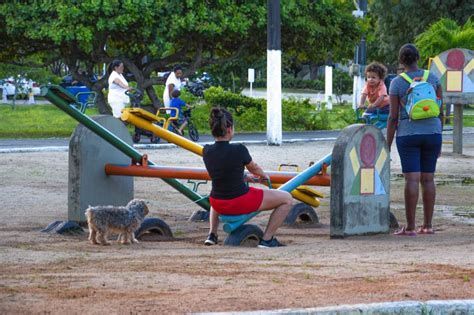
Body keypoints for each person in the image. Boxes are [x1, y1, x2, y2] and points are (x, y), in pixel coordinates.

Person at [202, 107, 293, 248]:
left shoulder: (206, 150)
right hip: (239, 201)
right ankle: (267, 239)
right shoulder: (239, 149)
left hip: (217, 202)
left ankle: (212, 234)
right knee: (286, 198)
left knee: (218, 193)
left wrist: (246, 178)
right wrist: (264, 176)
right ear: (230, 129)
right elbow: (254, 167)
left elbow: (224, 174)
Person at [386, 44, 444, 236]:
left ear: (401, 61)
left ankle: (410, 227)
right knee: (428, 179)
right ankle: (427, 225)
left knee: (412, 179)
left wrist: (387, 143)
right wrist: (439, 137)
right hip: (433, 133)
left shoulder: (397, 83)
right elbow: (440, 110)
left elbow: (393, 117)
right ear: (418, 58)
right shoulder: (433, 78)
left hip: (408, 134)